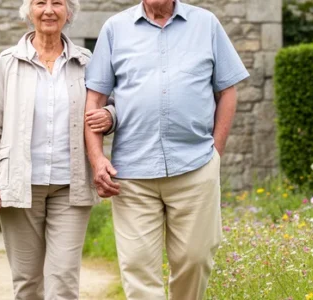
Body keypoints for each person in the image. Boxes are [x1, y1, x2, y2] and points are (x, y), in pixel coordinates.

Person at [83, 0, 250, 299]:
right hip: (132, 174)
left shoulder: (206, 24)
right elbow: (94, 102)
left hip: (196, 165)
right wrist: (97, 160)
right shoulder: (115, 29)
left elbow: (227, 91)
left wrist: (216, 153)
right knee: (137, 266)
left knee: (195, 259)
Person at [0, 0, 114, 298]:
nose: (49, 10)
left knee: (63, 279)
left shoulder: (86, 62)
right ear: (29, 10)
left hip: (71, 185)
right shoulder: (8, 61)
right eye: (40, 2)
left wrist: (111, 116)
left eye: (57, 3)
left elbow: (110, 104)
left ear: (69, 11)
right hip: (20, 183)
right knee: (27, 282)